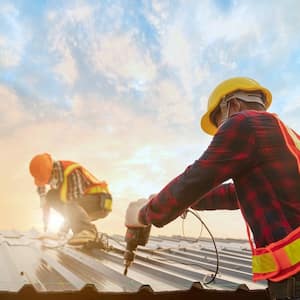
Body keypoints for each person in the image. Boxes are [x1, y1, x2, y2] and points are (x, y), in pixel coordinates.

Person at [125, 77, 300, 299]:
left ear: (232, 105)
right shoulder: (287, 138)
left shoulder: (244, 123)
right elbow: (237, 195)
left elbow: (197, 177)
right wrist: (191, 201)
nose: (220, 131)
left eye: (219, 123)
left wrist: (144, 214)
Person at [29, 153, 112, 245]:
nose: (48, 183)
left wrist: (62, 231)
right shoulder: (57, 174)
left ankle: (88, 231)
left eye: (48, 180)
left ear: (53, 171)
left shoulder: (71, 173)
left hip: (100, 202)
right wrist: (43, 197)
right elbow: (42, 186)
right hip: (84, 203)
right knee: (51, 196)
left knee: (68, 204)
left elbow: (72, 206)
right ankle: (83, 231)